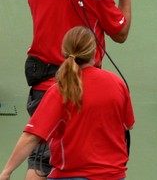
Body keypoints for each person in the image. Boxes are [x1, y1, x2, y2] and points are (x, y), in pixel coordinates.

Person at [24, 0, 139, 179]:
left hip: (43, 86)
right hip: (83, 89)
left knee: (40, 161)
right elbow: (120, 33)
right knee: (81, 162)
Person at [0, 26, 135, 180]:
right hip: (114, 175)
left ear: (64, 52)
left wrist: (6, 171)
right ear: (94, 51)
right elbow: (128, 125)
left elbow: (31, 137)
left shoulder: (60, 90)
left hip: (70, 175)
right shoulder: (117, 83)